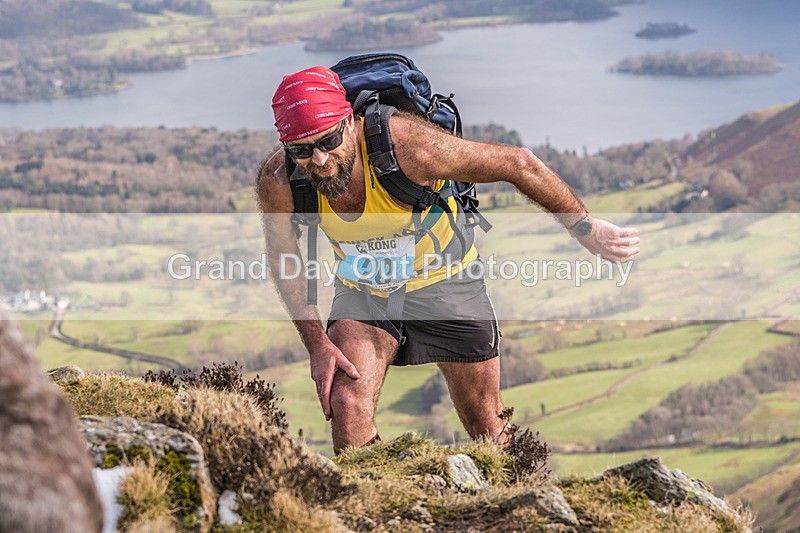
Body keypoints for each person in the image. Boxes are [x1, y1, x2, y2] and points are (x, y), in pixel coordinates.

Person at [256, 66, 639, 454]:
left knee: (488, 425)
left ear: (349, 122)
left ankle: (527, 502)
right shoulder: (280, 180)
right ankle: (377, 507)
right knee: (346, 405)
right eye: (301, 150)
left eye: (328, 140)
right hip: (365, 291)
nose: (319, 160)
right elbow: (284, 257)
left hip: (448, 281)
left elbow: (519, 164)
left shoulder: (408, 148)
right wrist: (317, 345)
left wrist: (586, 229)